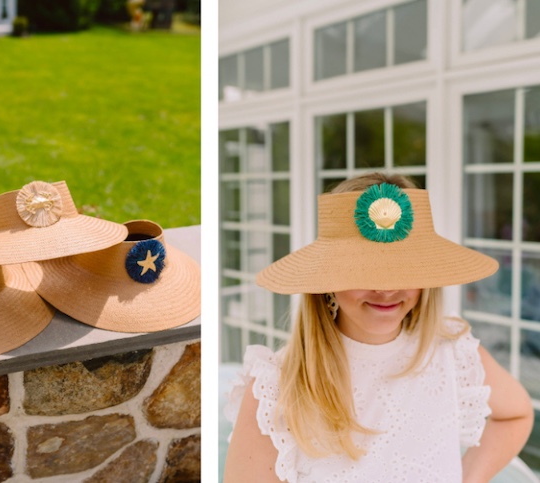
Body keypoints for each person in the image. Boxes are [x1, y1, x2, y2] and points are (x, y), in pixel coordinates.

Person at [224, 173, 534, 482]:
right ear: (326, 282)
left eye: (404, 269)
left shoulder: (451, 350)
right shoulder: (279, 387)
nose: (387, 289)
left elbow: (517, 415)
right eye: (363, 270)